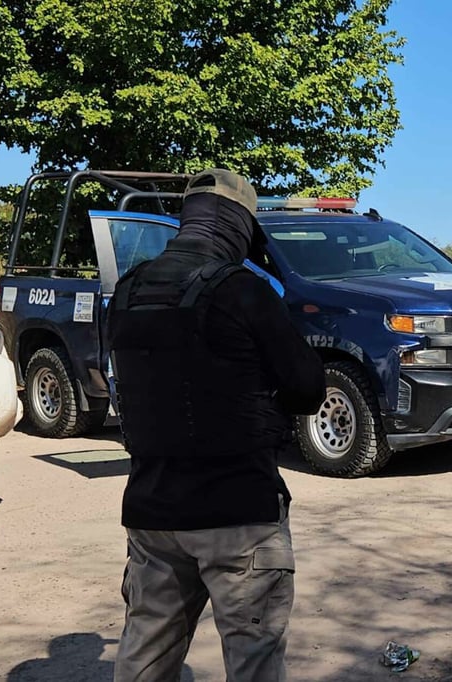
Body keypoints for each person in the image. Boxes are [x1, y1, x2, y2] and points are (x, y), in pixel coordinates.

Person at [106, 168, 325, 681]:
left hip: (152, 512)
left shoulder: (129, 291)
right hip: (239, 515)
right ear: (239, 227)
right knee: (253, 664)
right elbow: (308, 389)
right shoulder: (243, 292)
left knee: (144, 661)